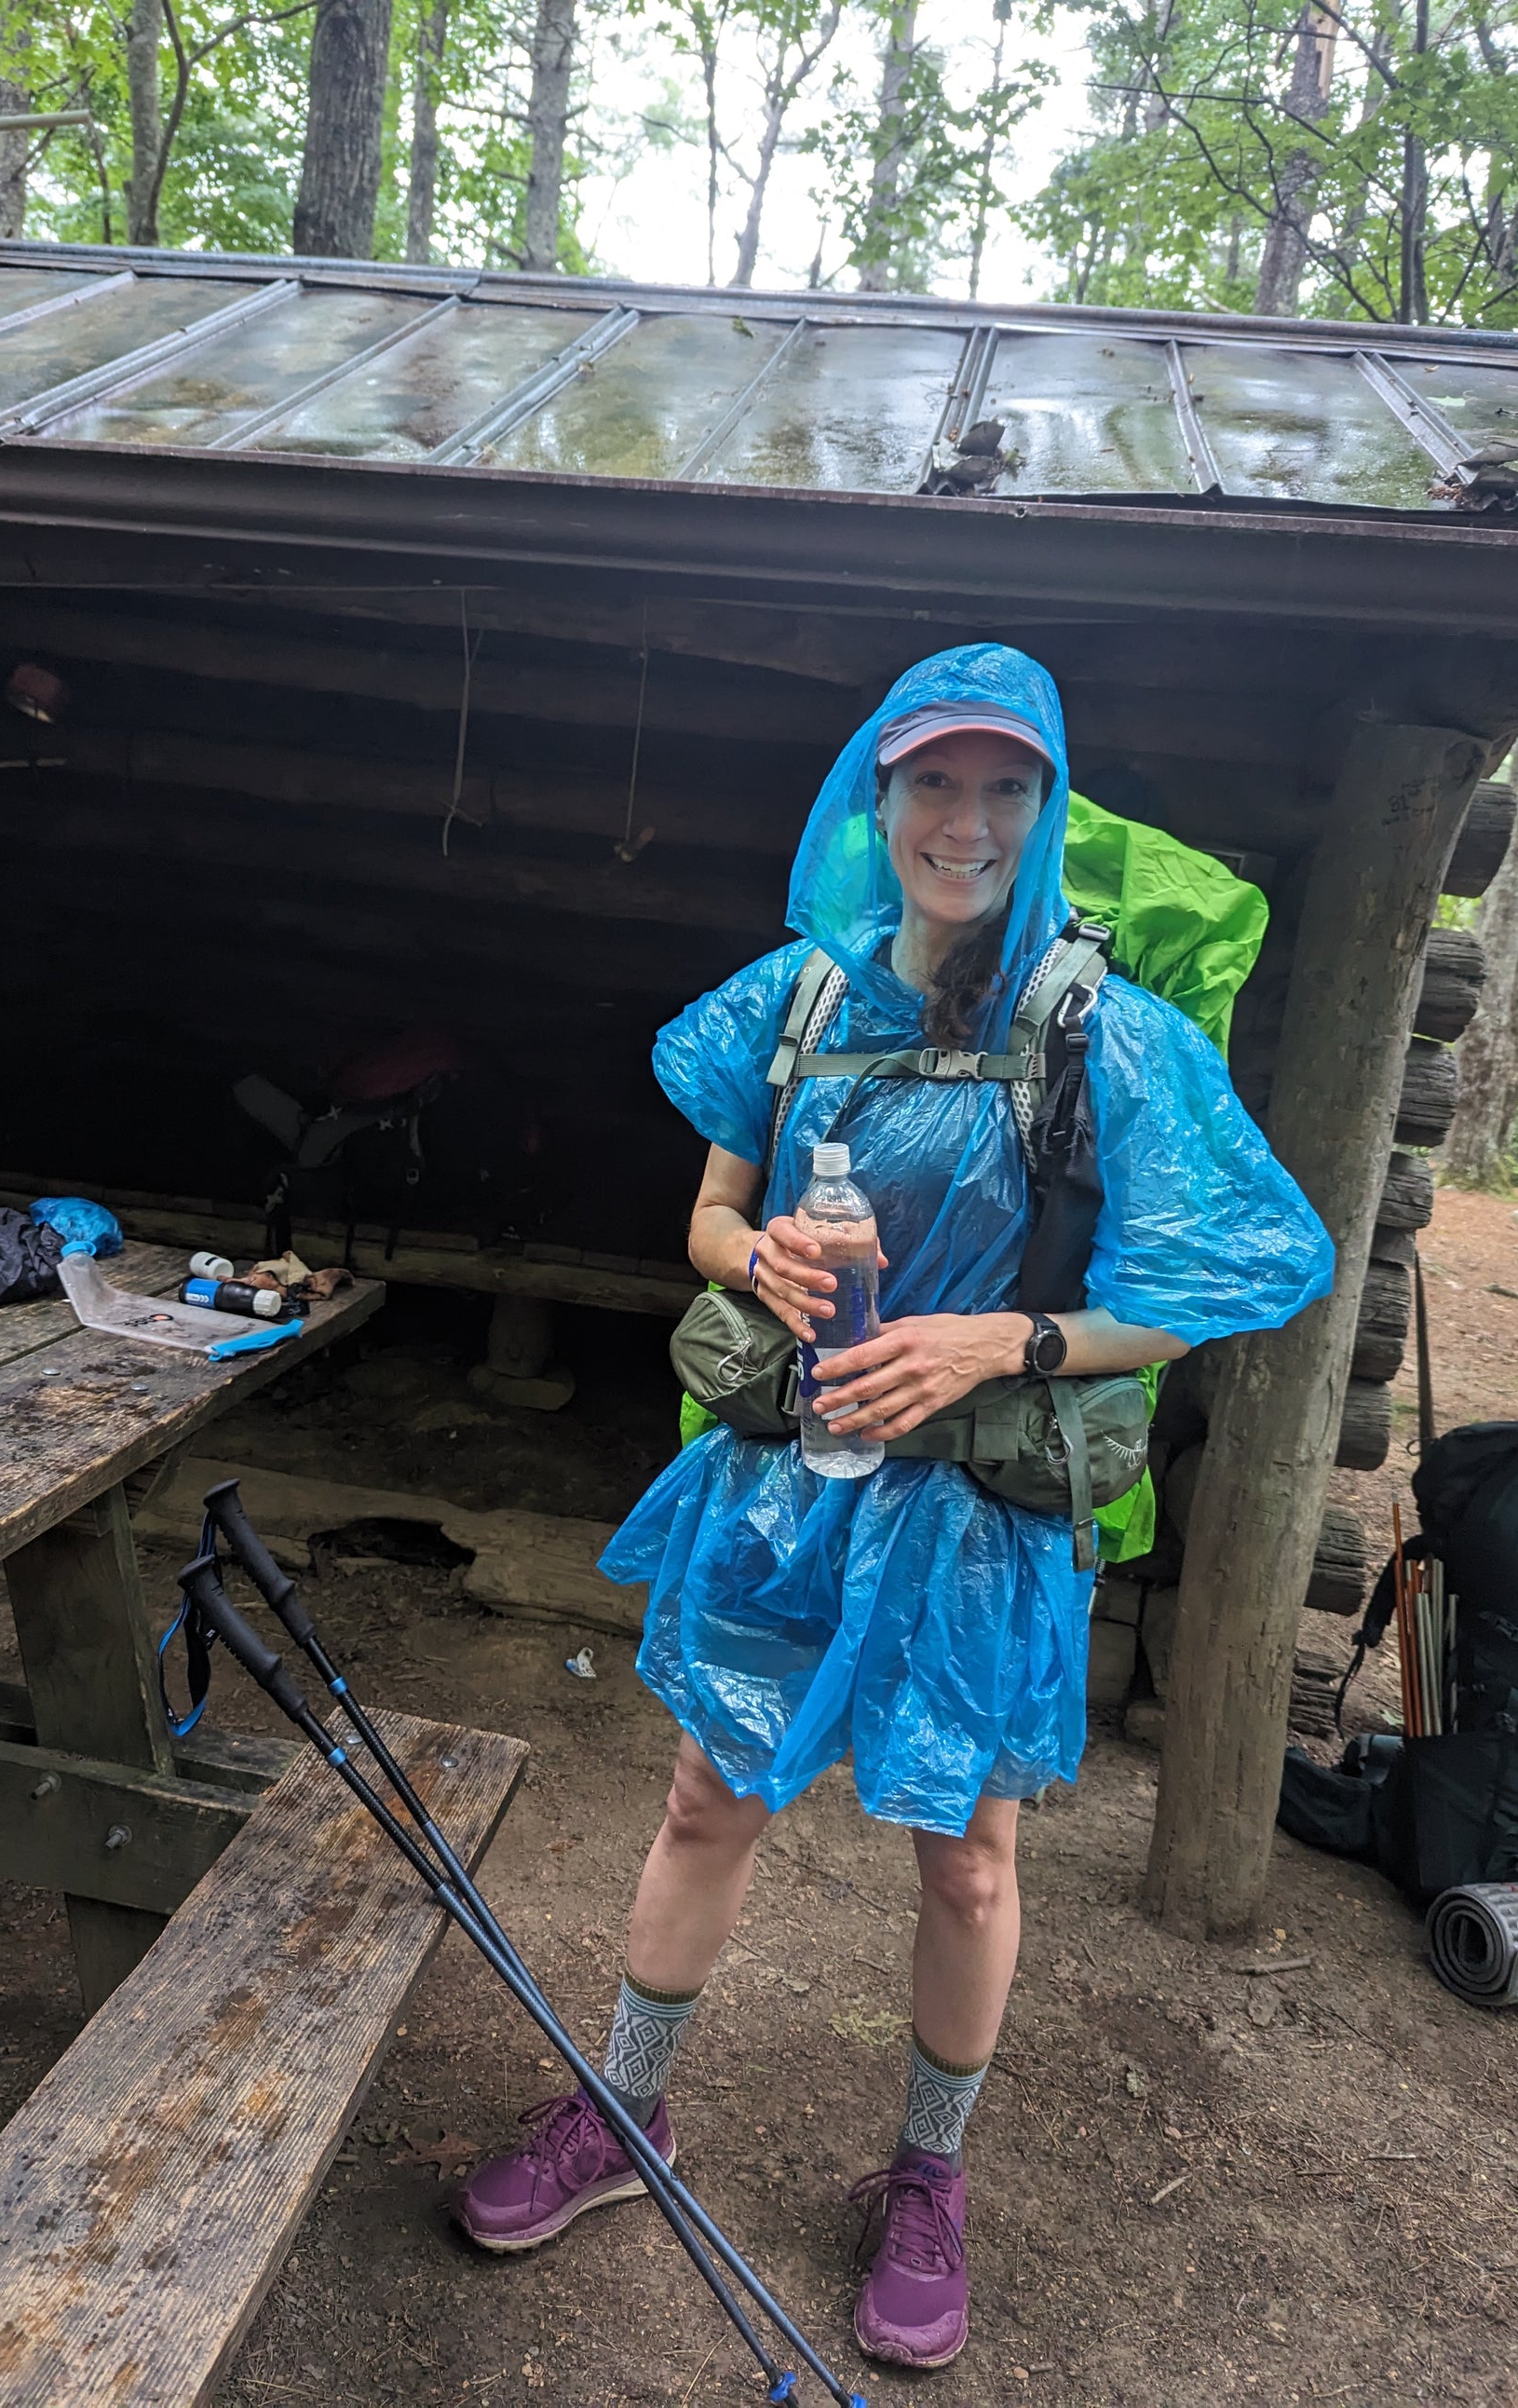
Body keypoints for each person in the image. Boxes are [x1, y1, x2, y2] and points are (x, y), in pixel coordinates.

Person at [454, 645, 1333, 2371]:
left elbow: (1241, 1267)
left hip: (980, 1516)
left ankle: (926, 2177)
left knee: (972, 1857)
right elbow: (710, 1214)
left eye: (1006, 787)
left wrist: (1003, 1336)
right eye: (933, 781)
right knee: (708, 1797)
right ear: (877, 796)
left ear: (1045, 807)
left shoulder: (1103, 1030)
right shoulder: (792, 1000)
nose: (967, 819)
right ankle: (627, 2115)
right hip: (790, 1479)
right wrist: (758, 1252)